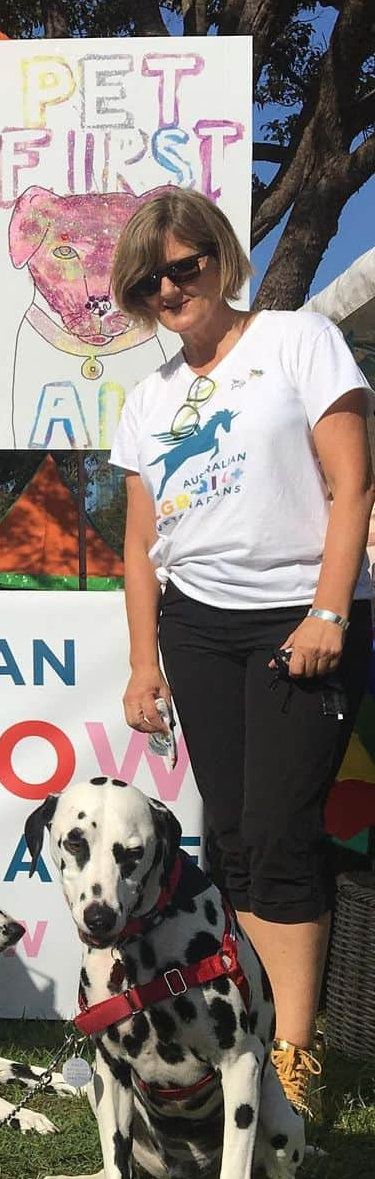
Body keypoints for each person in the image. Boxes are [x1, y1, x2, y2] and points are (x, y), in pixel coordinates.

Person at [109, 188, 375, 1116]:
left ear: (221, 258)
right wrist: (144, 661)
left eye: (188, 265)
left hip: (299, 617)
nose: (173, 287)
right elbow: (141, 547)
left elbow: (353, 486)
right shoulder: (148, 399)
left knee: (279, 837)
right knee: (229, 841)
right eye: (152, 280)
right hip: (196, 626)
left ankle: (295, 1059)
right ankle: (248, 1031)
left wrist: (330, 611)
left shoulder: (297, 340)